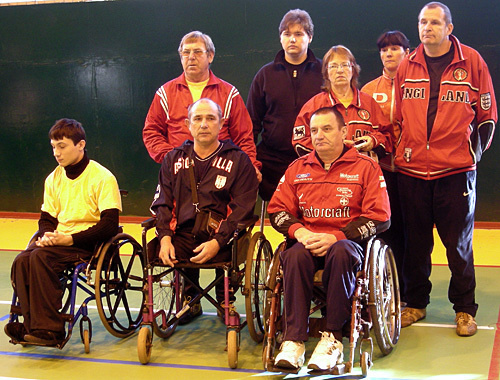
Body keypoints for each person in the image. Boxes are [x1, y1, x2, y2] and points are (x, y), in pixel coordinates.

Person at [395, 2, 497, 336]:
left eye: (435, 22)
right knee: (416, 243)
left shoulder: (472, 62)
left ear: (449, 28)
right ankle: (415, 303)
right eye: (423, 22)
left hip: (455, 173)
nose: (427, 28)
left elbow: (488, 117)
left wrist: (472, 156)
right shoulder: (406, 65)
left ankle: (465, 310)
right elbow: (397, 119)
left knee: (458, 245)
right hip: (412, 172)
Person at [268, 107, 390, 370]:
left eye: (326, 129)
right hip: (307, 242)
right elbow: (277, 210)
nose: (319, 136)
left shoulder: (366, 167)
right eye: (314, 131)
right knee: (294, 255)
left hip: (346, 246)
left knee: (341, 251)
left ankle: (333, 338)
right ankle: (293, 340)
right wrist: (300, 232)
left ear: (343, 132)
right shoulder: (297, 168)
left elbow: (380, 217)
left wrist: (335, 237)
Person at [5, 118, 122, 345]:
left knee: (40, 258)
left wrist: (70, 239)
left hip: (89, 242)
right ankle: (31, 325)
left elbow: (109, 225)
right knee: (21, 260)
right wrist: (48, 234)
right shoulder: (54, 178)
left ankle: (51, 330)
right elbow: (47, 218)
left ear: (80, 145)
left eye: (62, 146)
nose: (56, 153)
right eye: (53, 147)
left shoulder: (102, 177)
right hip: (61, 240)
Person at [150, 98, 259, 324]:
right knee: (161, 250)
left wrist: (218, 240)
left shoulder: (239, 160)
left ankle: (223, 299)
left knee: (229, 248)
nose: (204, 124)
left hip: (224, 237)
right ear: (188, 125)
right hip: (182, 234)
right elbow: (162, 201)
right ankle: (191, 299)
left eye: (211, 118)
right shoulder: (173, 159)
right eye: (197, 119)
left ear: (221, 125)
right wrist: (164, 238)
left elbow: (243, 208)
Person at [143, 30, 261, 180]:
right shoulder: (165, 94)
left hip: (222, 174)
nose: (191, 57)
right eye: (186, 53)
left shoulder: (229, 93)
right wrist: (172, 157)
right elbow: (151, 132)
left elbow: (244, 137)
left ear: (210, 56)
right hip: (178, 174)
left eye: (198, 52)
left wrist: (250, 165)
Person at [247, 9, 323, 201]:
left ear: (310, 37)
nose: (292, 39)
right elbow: (251, 124)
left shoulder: (324, 73)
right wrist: (251, 161)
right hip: (272, 160)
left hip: (315, 158)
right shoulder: (265, 75)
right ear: (280, 38)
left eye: (298, 34)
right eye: (287, 34)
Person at [361, 30, 410, 300]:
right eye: (384, 49)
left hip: (411, 170)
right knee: (384, 228)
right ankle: (382, 283)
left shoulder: (417, 86)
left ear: (406, 52)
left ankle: (408, 288)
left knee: (408, 229)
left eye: (395, 48)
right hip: (382, 172)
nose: (389, 54)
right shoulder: (368, 90)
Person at [292, 45, 393, 161]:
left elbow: (388, 137)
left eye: (345, 65)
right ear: (326, 72)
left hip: (362, 173)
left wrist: (373, 141)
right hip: (326, 173)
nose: (340, 70)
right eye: (333, 66)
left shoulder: (369, 103)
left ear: (353, 69)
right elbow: (299, 142)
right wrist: (333, 146)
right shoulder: (314, 105)